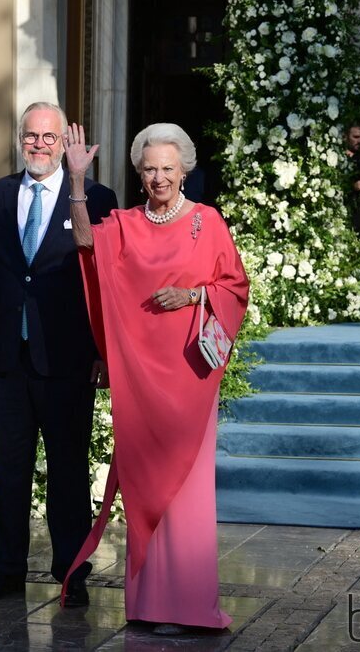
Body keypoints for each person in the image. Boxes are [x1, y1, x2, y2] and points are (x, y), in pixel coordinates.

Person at [63, 122, 249, 635]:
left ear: (184, 170)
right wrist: (77, 181)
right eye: (150, 169)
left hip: (189, 374)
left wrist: (191, 296)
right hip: (139, 376)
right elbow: (84, 242)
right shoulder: (124, 224)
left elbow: (234, 285)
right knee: (145, 483)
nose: (159, 177)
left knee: (186, 490)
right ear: (138, 173)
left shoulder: (206, 222)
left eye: (168, 168)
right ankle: (147, 605)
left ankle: (188, 607)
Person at [0, 102, 118, 607]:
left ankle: (71, 572)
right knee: (10, 470)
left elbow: (102, 281)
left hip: (68, 358)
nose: (38, 145)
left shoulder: (96, 198)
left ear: (65, 143)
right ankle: (8, 572)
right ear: (20, 140)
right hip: (8, 358)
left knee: (68, 470)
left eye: (49, 138)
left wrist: (101, 350)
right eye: (31, 136)